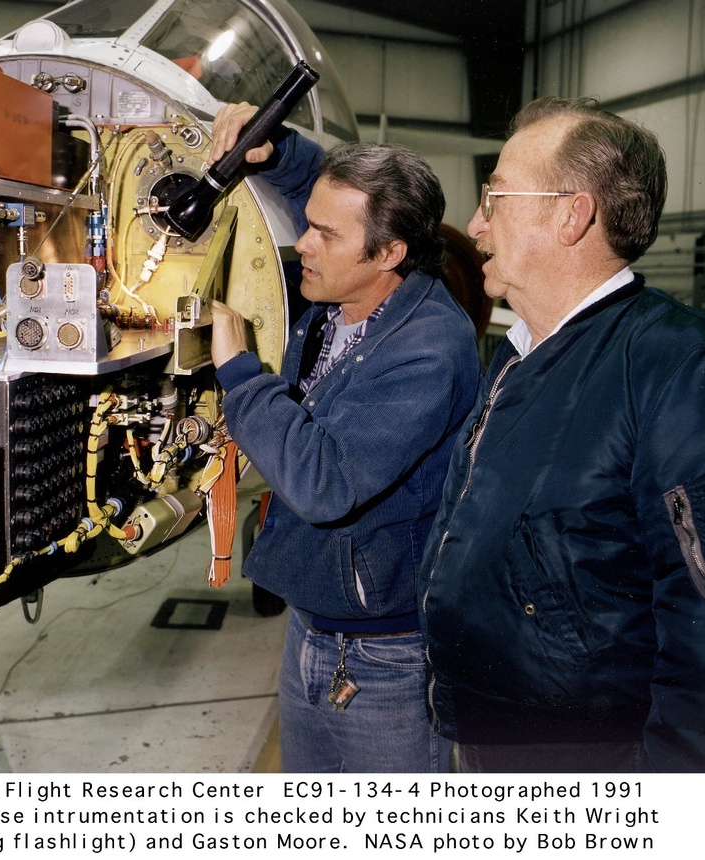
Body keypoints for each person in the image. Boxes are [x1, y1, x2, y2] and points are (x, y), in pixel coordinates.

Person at [421, 95, 705, 773]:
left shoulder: (691, 370)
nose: (476, 223)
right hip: (490, 736)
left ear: (572, 215)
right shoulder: (522, 353)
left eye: (495, 197)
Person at [208, 103, 481, 772]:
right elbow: (323, 195)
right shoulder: (348, 290)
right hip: (311, 624)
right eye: (307, 225)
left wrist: (240, 375)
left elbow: (323, 482)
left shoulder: (428, 349)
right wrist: (279, 151)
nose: (303, 243)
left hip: (387, 654)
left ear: (389, 253)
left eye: (323, 235)